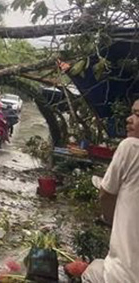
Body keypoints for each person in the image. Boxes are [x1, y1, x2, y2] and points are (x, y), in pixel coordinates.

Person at [82, 98, 139, 283]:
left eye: (137, 115)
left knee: (90, 272)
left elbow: (106, 194)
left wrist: (109, 218)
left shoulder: (130, 147)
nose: (129, 119)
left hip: (123, 276)